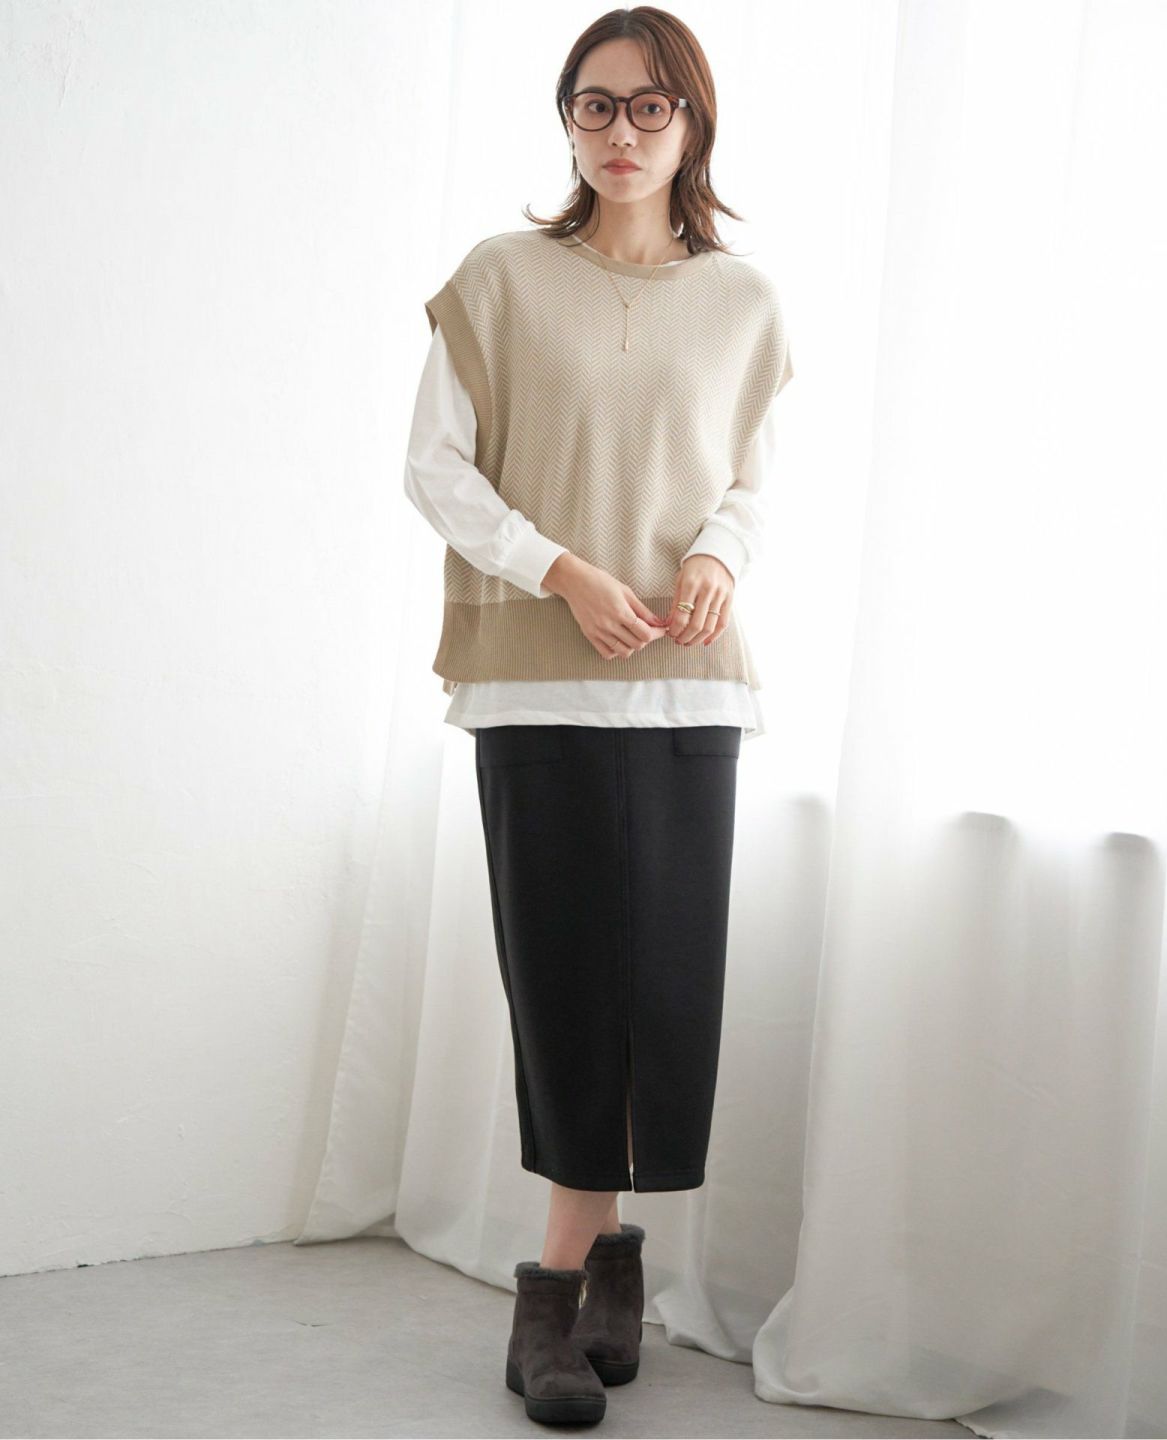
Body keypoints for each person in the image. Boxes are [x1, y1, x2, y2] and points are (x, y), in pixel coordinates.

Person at [404, 7, 792, 1424]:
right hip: (539, 678)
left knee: (666, 991)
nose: (621, 132)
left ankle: (612, 1275)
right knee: (569, 980)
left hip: (687, 678)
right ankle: (553, 1301)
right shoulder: (500, 280)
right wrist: (558, 569)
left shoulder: (742, 301)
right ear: (565, 120)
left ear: (693, 124)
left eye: (650, 107)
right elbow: (436, 469)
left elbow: (749, 478)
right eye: (594, 104)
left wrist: (719, 556)